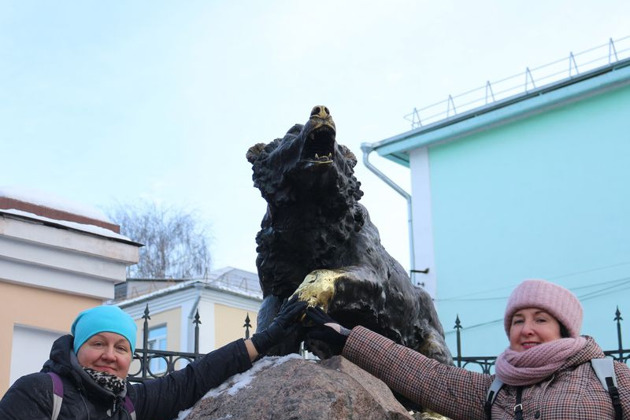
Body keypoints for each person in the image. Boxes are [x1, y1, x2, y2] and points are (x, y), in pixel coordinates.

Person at [305, 278, 630, 419]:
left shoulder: (608, 377)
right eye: (518, 320)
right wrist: (346, 337)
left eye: (540, 319)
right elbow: (428, 376)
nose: (527, 329)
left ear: (564, 328)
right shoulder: (498, 390)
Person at [0, 296, 306, 419]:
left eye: (121, 348)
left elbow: (195, 378)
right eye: (98, 344)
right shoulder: (39, 392)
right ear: (77, 349)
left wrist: (266, 338)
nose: (109, 355)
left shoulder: (129, 403)